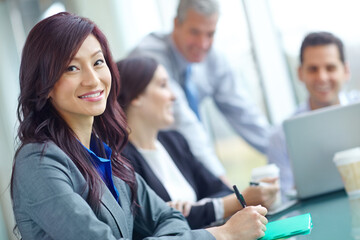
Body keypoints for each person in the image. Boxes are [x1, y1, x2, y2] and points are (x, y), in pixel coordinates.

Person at [10, 12, 268, 240]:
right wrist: (222, 234)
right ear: (44, 83)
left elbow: (171, 219)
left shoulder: (106, 156)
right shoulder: (39, 163)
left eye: (98, 62)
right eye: (72, 68)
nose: (93, 79)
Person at [117, 56, 278, 229]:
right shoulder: (121, 161)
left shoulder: (174, 141)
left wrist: (196, 209)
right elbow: (163, 223)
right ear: (135, 96)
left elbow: (220, 189)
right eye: (163, 85)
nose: (173, 96)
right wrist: (236, 201)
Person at [128, 0, 270, 180]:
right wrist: (219, 179)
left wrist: (286, 151)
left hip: (187, 156)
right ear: (176, 24)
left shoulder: (213, 59)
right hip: (148, 163)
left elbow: (244, 112)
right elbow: (182, 119)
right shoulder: (149, 57)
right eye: (195, 32)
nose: (203, 44)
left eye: (210, 34)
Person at [266, 31, 360, 196]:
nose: (322, 77)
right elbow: (282, 196)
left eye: (330, 68)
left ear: (345, 71)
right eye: (313, 69)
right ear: (300, 73)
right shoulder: (281, 137)